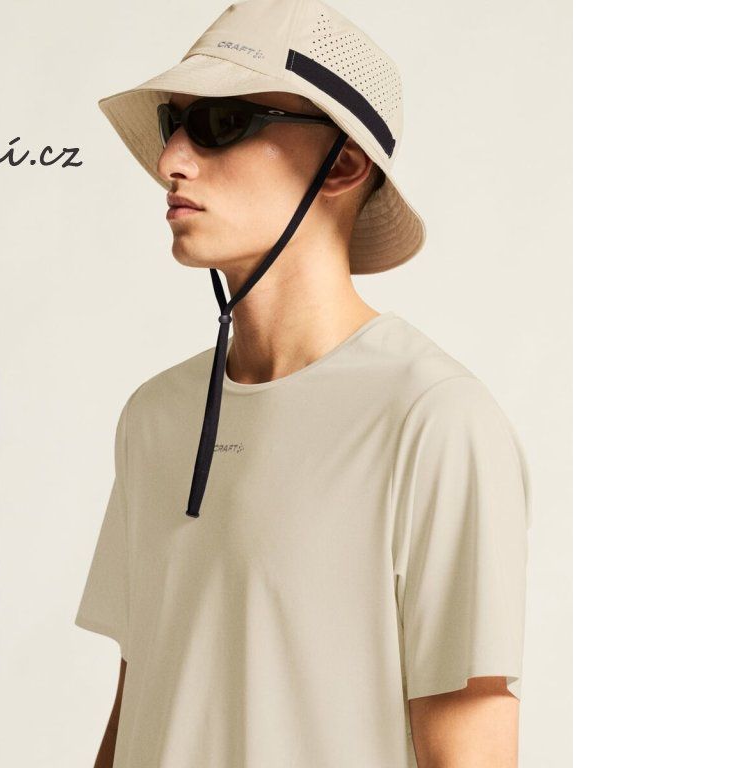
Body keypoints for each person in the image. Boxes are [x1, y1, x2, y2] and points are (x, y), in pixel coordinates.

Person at [75, 0, 532, 766]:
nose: (170, 161)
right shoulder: (155, 417)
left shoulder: (433, 419)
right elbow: (141, 700)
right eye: (172, 125)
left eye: (220, 123)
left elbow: (470, 739)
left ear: (343, 164)